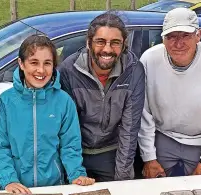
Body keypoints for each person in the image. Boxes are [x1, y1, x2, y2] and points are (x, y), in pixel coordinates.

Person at [138, 8, 201, 178]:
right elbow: (143, 113)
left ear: (198, 35)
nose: (178, 43)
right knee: (153, 193)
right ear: (162, 38)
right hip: (162, 136)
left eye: (185, 35)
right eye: (171, 37)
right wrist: (149, 158)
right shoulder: (149, 59)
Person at [0, 34, 95, 194]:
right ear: (21, 64)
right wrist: (8, 180)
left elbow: (70, 145)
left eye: (47, 63)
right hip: (16, 190)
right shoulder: (6, 101)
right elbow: (0, 147)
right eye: (34, 63)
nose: (41, 70)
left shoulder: (63, 101)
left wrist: (76, 174)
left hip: (54, 188)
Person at [58, 11, 145, 182]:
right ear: (88, 43)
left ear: (124, 44)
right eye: (100, 42)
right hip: (75, 153)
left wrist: (122, 180)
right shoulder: (70, 70)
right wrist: (75, 171)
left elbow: (130, 128)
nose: (107, 49)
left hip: (112, 153)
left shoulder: (134, 71)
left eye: (115, 43)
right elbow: (67, 128)